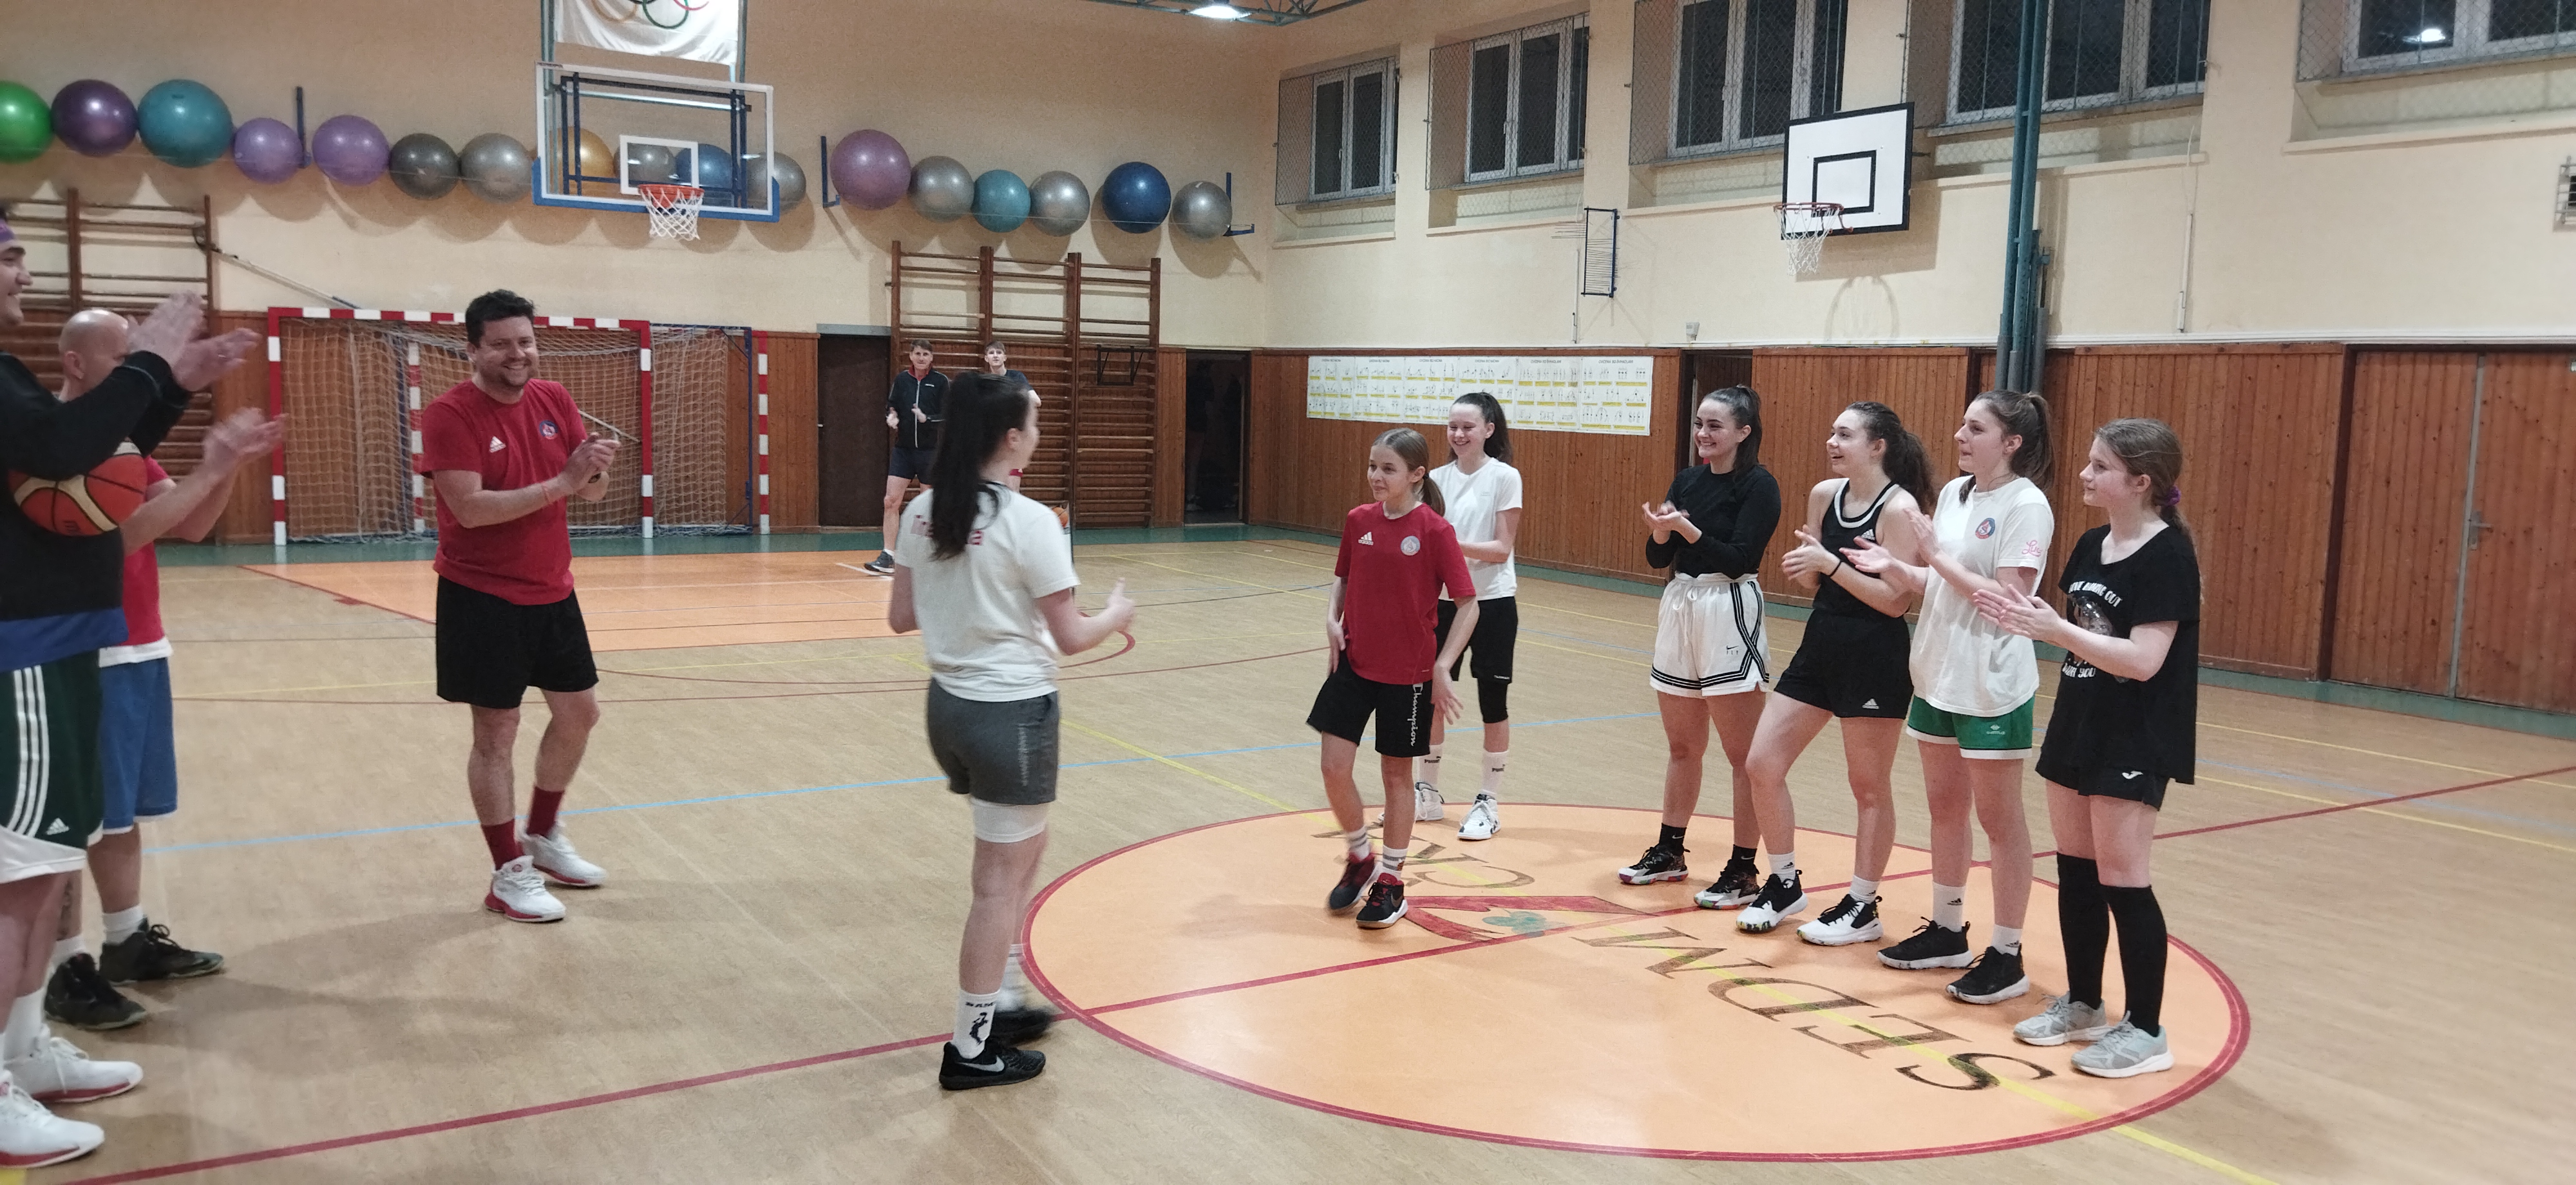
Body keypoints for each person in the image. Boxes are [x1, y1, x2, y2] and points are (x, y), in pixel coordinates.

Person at [0, 214, 258, 1166]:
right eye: (7, 256)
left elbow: (84, 466)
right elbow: (65, 446)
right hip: (21, 656)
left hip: (56, 646)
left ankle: (23, 1050)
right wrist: (150, 364)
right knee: (17, 881)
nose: (22, 271)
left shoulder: (10, 379)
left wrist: (168, 385)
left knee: (42, 871)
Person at [887, 372, 1135, 1091]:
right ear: (1011, 437)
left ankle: (1001, 996)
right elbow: (1073, 636)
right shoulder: (1029, 522)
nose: (1039, 432)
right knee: (997, 885)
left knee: (1020, 854)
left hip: (949, 708)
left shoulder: (923, 510)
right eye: (1034, 422)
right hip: (1010, 715)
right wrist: (1116, 614)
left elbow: (901, 618)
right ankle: (972, 1046)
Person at [41, 311, 280, 1032]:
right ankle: (63, 967)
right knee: (70, 821)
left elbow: (191, 525)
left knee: (121, 817)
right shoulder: (49, 439)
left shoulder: (121, 441)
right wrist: (210, 467)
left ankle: (127, 939)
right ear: (77, 363)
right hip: (83, 650)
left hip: (141, 645)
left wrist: (226, 464)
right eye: (126, 357)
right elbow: (115, 539)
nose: (140, 369)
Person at [1988, 419, 2198, 1078]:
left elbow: (2142, 659)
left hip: (2135, 732)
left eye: (2100, 466)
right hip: (2078, 722)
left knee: (2124, 881)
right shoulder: (2089, 544)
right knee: (2076, 872)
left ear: (2141, 482)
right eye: (2088, 462)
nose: (2085, 473)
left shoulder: (2167, 556)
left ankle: (2146, 1030)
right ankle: (2082, 1003)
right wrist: (2042, 628)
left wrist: (2055, 631)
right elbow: (2080, 638)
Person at [1842, 389, 2055, 1005]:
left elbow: (2009, 599)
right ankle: (1947, 929)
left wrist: (1933, 557)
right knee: (1944, 808)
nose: (1960, 435)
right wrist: (1901, 570)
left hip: (1991, 682)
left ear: (2011, 442)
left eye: (1976, 428)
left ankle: (2008, 953)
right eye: (1962, 424)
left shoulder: (2027, 504)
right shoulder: (1959, 494)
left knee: (2000, 821)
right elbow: (1945, 583)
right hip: (1938, 673)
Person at [420, 290, 619, 924]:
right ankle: (507, 873)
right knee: (496, 732)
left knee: (580, 714)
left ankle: (542, 835)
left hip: (552, 588)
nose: (518, 353)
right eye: (502, 344)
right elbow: (470, 509)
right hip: (481, 596)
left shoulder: (555, 398)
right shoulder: (449, 414)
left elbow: (590, 494)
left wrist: (592, 470)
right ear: (473, 349)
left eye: (526, 341)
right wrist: (564, 481)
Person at [1730, 403, 1935, 940]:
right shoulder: (1825, 495)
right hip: (1820, 643)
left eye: (1845, 434)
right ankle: (1784, 882)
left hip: (1874, 654)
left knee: (1868, 787)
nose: (1832, 442)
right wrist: (1809, 567)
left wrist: (1830, 564)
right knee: (1761, 763)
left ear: (1877, 446)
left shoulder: (1899, 508)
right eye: (1831, 432)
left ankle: (1863, 905)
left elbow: (1894, 602)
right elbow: (1816, 581)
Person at [1619, 388, 1779, 912]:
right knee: (1682, 746)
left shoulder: (1759, 485)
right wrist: (1661, 534)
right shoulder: (1688, 480)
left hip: (1727, 607)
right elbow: (1656, 558)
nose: (1703, 434)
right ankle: (1670, 850)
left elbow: (1738, 559)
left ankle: (1743, 869)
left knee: (1743, 755)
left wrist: (1686, 529)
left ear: (1743, 432)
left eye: (1715, 425)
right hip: (1681, 605)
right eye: (1699, 424)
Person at [1314, 429, 1477, 931]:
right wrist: (1331, 618)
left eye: (1388, 469)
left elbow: (1468, 605)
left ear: (1416, 475)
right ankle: (1360, 856)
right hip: (1353, 662)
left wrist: (1443, 666)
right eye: (1372, 466)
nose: (1376, 477)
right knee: (1333, 766)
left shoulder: (1434, 531)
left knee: (1395, 777)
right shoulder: (1358, 520)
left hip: (1407, 675)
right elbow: (1343, 578)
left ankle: (1391, 880)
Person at [1419, 392, 1521, 841]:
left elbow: (1500, 549)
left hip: (1492, 601)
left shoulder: (1504, 477)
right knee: (1431, 696)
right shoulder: (1434, 480)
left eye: (1468, 427)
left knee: (1492, 701)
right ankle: (1427, 792)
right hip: (1444, 602)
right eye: (1453, 427)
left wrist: (1448, 543)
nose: (1459, 435)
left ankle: (1487, 801)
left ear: (1488, 430)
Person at [862, 341, 945, 574]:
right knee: (890, 501)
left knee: (928, 505)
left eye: (925, 354)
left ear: (931, 358)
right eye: (917, 353)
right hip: (904, 451)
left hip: (930, 451)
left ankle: (927, 556)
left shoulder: (940, 382)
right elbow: (891, 406)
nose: (921, 358)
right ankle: (888, 555)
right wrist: (892, 416)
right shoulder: (902, 380)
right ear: (911, 356)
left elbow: (949, 414)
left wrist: (927, 419)